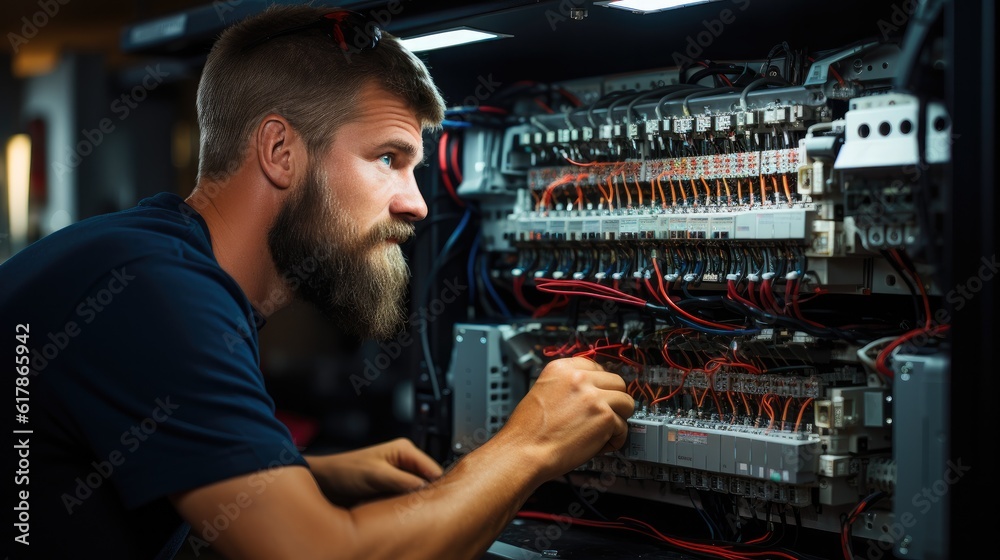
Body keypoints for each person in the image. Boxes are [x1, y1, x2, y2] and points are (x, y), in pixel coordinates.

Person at [2, 5, 634, 559]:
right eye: (388, 158)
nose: (416, 203)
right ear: (280, 151)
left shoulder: (147, 258)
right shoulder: (158, 292)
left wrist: (304, 475)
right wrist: (530, 445)